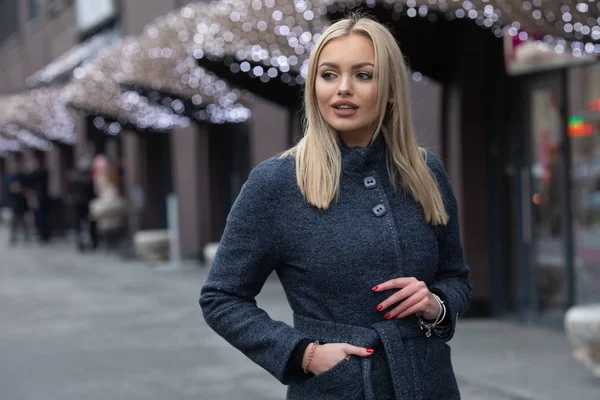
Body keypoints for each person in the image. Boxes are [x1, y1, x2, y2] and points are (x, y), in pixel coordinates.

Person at [200, 16, 471, 400]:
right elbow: (221, 297)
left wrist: (435, 305)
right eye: (329, 75)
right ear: (314, 87)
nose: (343, 88)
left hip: (429, 385)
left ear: (390, 88)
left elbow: (455, 278)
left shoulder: (425, 173)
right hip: (338, 389)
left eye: (363, 75)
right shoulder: (277, 183)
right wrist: (305, 354)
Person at [5, 156, 30, 245]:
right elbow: (8, 189)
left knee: (23, 220)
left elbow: (27, 189)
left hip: (21, 202)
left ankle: (26, 236)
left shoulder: (24, 176)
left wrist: (20, 189)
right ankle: (13, 237)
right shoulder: (10, 177)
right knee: (14, 221)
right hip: (14, 202)